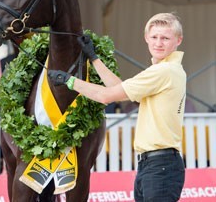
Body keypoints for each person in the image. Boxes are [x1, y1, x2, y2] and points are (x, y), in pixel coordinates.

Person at [48, 12, 186, 201]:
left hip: (160, 166)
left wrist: (69, 81)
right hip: (154, 164)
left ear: (178, 40)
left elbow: (106, 96)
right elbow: (119, 89)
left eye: (165, 38)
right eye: (154, 37)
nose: (158, 43)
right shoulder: (164, 70)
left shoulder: (164, 71)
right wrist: (94, 58)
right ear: (146, 38)